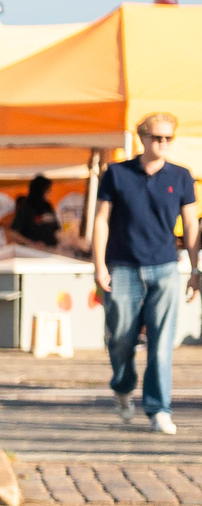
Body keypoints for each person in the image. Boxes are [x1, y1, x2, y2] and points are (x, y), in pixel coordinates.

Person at [92, 114, 201, 434]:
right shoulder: (116, 173)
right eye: (157, 138)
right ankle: (123, 386)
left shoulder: (181, 176)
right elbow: (101, 220)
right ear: (142, 138)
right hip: (122, 267)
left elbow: (191, 225)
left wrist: (195, 269)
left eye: (168, 138)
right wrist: (99, 265)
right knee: (121, 338)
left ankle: (159, 408)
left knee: (161, 343)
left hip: (165, 267)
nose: (162, 144)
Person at [7, 175, 64, 251]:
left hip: (51, 252)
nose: (50, 193)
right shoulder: (26, 208)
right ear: (40, 190)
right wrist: (31, 243)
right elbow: (13, 233)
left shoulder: (48, 206)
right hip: (33, 254)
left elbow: (56, 230)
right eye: (48, 190)